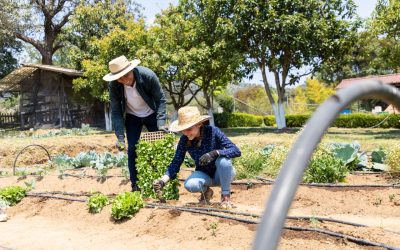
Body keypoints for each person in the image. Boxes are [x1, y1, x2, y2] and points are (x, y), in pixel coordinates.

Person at [153, 106, 241, 208]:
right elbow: (176, 162)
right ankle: (206, 192)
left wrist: (215, 153)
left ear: (199, 124)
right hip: (204, 175)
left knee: (223, 161)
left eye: (189, 129)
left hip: (222, 174)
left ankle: (225, 197)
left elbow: (236, 151)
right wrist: (163, 181)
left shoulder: (213, 132)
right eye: (183, 130)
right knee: (189, 185)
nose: (186, 133)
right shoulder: (184, 140)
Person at [103, 55, 167, 191]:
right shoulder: (114, 85)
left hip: (152, 114)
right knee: (132, 149)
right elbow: (116, 112)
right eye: (119, 78)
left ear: (131, 69)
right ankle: (135, 185)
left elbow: (161, 99)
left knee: (159, 146)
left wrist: (161, 122)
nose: (124, 80)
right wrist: (120, 137)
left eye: (126, 76)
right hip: (132, 116)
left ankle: (163, 182)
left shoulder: (148, 76)